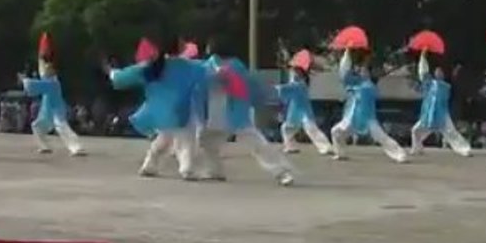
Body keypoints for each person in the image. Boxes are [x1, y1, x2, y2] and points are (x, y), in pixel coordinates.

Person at [196, 48, 296, 186]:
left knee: (256, 143)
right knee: (208, 141)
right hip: (218, 113)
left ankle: (282, 172)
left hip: (234, 113)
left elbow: (247, 86)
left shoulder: (235, 67)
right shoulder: (211, 65)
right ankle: (214, 171)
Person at [107, 45, 206, 180]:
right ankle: (186, 168)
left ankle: (149, 165)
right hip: (181, 110)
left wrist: (112, 72)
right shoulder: (188, 66)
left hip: (160, 112)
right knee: (186, 140)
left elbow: (121, 78)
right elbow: (207, 73)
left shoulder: (151, 66)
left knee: (165, 138)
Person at [330, 49, 408, 163]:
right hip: (351, 118)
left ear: (368, 74)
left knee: (381, 137)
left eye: (364, 70)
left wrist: (358, 90)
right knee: (336, 131)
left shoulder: (369, 86)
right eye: (360, 70)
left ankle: (400, 154)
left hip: (367, 118)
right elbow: (343, 73)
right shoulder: (355, 84)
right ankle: (340, 153)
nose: (362, 71)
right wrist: (347, 53)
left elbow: (371, 92)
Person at [410, 51, 472, 156]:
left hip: (441, 114)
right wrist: (423, 57)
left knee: (451, 132)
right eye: (437, 71)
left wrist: (456, 71)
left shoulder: (445, 86)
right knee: (416, 131)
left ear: (443, 75)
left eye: (440, 72)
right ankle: (417, 148)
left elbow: (451, 85)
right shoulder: (429, 83)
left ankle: (465, 150)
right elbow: (423, 73)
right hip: (429, 115)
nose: (438, 73)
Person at [21, 54, 84, 156]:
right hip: (47, 110)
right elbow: (41, 75)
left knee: (62, 127)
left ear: (53, 71)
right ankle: (44, 146)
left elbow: (35, 86)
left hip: (56, 110)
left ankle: (76, 147)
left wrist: (25, 81)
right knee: (37, 126)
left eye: (48, 68)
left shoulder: (53, 82)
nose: (46, 70)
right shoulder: (48, 80)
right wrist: (41, 60)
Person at [276, 59, 333, 156]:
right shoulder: (298, 82)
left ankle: (326, 147)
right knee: (286, 128)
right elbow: (288, 91)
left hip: (304, 111)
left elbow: (286, 89)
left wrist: (277, 88)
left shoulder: (300, 84)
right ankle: (290, 146)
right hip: (295, 111)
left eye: (294, 71)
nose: (293, 73)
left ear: (300, 73)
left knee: (311, 129)